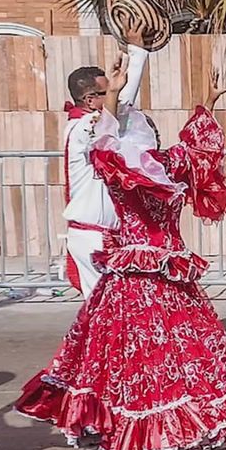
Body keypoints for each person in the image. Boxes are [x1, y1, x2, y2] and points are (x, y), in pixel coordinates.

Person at [15, 66, 226, 450]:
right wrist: (207, 104)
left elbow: (106, 138)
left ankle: (127, 426)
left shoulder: (119, 169)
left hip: (131, 271)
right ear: (152, 139)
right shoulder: (170, 165)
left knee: (127, 354)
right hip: (168, 270)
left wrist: (120, 98)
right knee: (180, 351)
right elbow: (199, 146)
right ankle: (174, 425)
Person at [62, 29, 149, 297]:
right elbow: (109, 122)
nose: (115, 97)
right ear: (90, 100)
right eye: (106, 92)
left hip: (105, 236)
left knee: (113, 310)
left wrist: (137, 52)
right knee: (104, 309)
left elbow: (120, 106)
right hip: (92, 238)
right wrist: (116, 87)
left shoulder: (97, 122)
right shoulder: (81, 128)